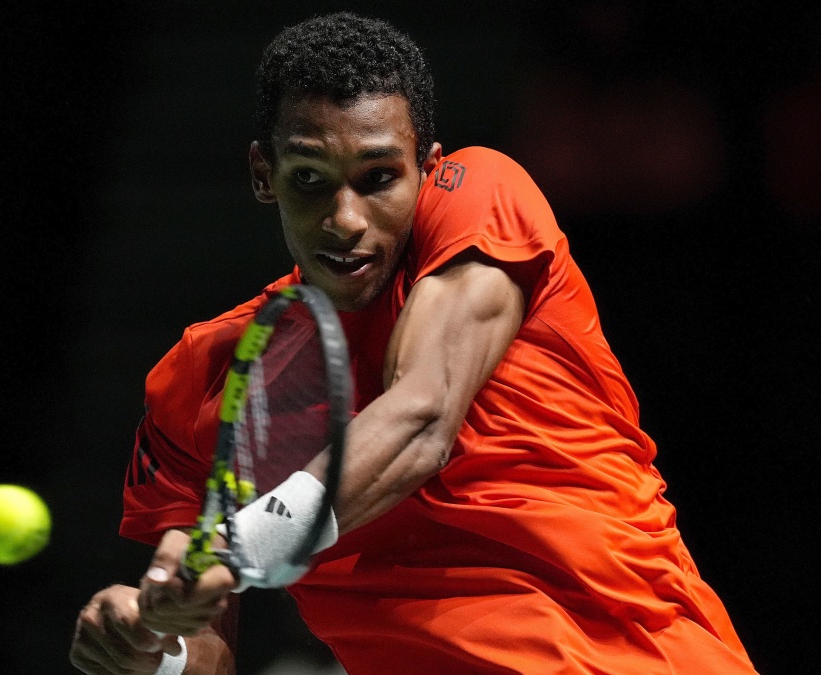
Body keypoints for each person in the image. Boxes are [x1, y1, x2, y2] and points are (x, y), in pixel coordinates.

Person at [70, 11, 758, 675]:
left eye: (379, 179)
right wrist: (151, 647)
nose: (346, 219)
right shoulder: (200, 380)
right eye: (309, 178)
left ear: (426, 168)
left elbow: (421, 416)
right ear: (262, 173)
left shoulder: (482, 197)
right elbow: (207, 650)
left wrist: (232, 546)